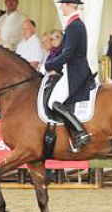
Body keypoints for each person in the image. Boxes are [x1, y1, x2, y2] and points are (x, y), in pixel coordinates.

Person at [45, 0, 91, 151]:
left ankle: (80, 132)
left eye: (63, 4)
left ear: (71, 5)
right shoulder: (74, 24)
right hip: (73, 68)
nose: (61, 7)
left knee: (53, 101)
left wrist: (51, 65)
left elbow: (68, 54)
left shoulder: (74, 25)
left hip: (75, 71)